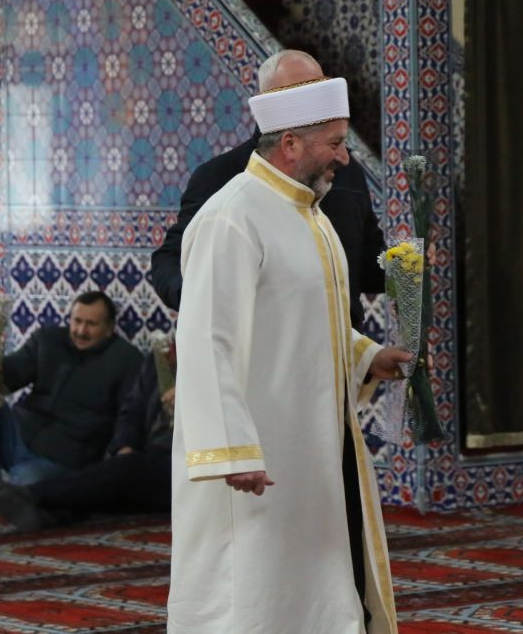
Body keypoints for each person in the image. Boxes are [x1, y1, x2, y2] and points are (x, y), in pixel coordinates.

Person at [167, 74, 411, 632]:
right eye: (335, 142)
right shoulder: (232, 216)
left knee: (314, 591)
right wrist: (231, 448)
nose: (344, 158)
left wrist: (366, 355)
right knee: (249, 596)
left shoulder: (312, 217)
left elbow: (304, 323)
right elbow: (207, 337)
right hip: (257, 459)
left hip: (314, 450)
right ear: (291, 144)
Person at [149, 50, 385, 331]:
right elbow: (170, 260)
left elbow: (366, 267)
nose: (313, 100)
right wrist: (209, 299)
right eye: (299, 91)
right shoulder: (221, 177)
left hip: (345, 355)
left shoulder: (345, 172)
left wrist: (407, 264)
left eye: (318, 87)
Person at [0, 290, 141, 504]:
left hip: (61, 457)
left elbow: (131, 413)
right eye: (77, 321)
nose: (81, 331)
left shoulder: (126, 360)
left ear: (109, 329)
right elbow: (10, 374)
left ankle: (10, 490)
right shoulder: (48, 339)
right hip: (19, 435)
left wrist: (125, 449)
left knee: (26, 485)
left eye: (91, 324)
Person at [0, 340, 175, 530]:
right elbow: (133, 410)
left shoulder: (205, 369)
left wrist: (189, 403)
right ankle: (46, 515)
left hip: (190, 464)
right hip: (147, 458)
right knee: (111, 485)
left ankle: (31, 494)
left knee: (128, 471)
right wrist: (125, 445)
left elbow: (205, 449)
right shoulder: (162, 358)